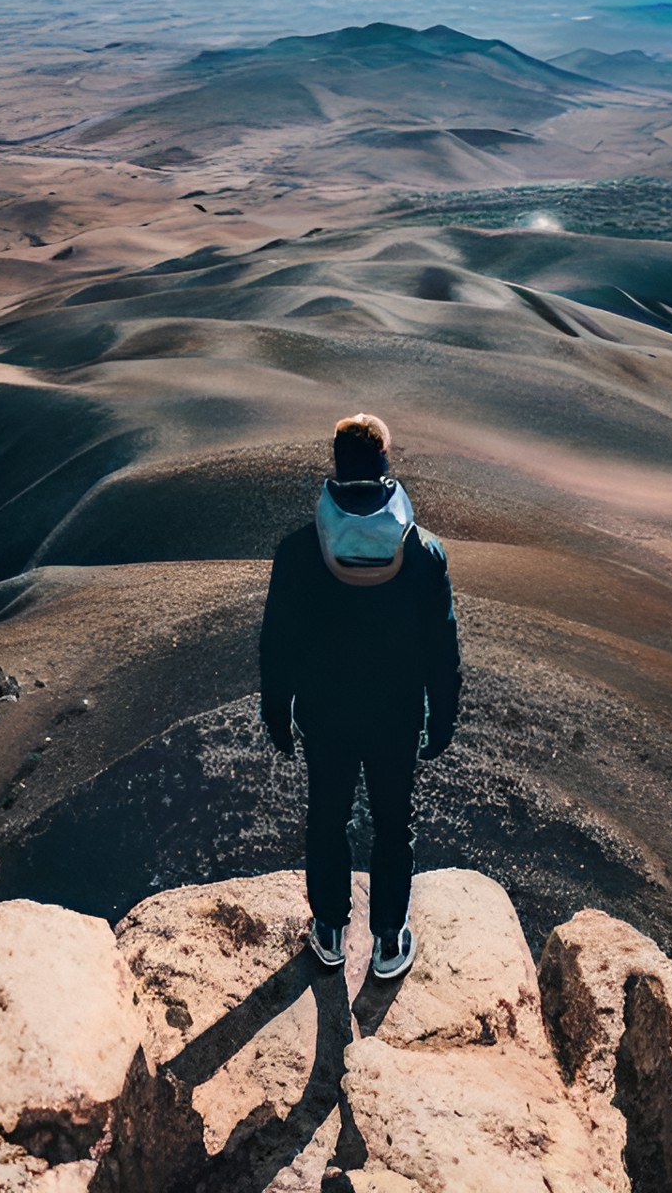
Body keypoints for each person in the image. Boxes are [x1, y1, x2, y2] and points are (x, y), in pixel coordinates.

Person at [259, 412, 461, 980]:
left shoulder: (299, 551)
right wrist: (441, 717)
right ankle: (389, 939)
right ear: (384, 463)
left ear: (337, 462)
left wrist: (278, 710)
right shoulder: (424, 554)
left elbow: (277, 641)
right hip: (395, 715)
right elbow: (442, 648)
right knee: (394, 824)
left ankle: (328, 929)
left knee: (327, 817)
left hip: (326, 712)